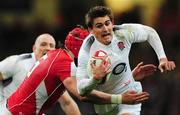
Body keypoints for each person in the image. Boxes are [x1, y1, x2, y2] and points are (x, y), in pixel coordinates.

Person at [0, 31, 150, 115]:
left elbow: (82, 91)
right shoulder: (64, 63)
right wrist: (120, 99)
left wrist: (127, 78)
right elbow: (83, 95)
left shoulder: (58, 56)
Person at [76, 6, 176, 115]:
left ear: (112, 23)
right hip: (105, 104)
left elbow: (150, 32)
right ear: (91, 30)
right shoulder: (86, 49)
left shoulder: (123, 33)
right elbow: (81, 90)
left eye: (107, 23)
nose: (105, 29)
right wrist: (95, 79)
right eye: (99, 26)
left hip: (129, 93)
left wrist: (162, 58)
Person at [0, 34, 81, 115]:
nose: (48, 48)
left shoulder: (53, 71)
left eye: (51, 45)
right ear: (34, 48)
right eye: (43, 44)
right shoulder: (19, 62)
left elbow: (67, 103)